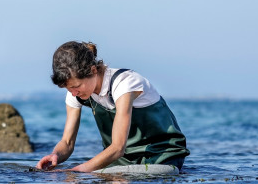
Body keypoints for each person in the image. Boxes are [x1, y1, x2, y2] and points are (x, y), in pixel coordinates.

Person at [36, 41, 190, 172]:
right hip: (121, 161)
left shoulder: (125, 84)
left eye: (76, 86)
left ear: (93, 70)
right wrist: (56, 155)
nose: (73, 93)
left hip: (160, 156)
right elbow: (67, 143)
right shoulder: (75, 93)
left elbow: (117, 147)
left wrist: (78, 171)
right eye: (68, 88)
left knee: (83, 177)